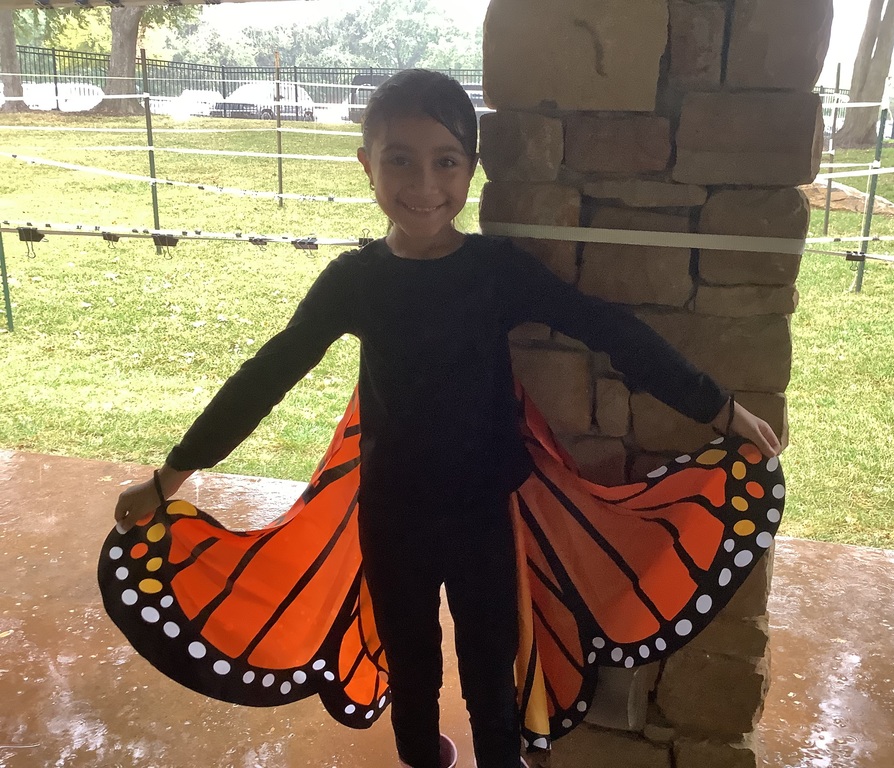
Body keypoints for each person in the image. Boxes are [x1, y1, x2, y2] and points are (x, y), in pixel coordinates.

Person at [112, 69, 782, 768]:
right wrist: (170, 478)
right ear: (367, 164)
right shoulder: (355, 281)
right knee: (414, 674)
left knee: (492, 676)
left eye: (445, 161)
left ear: (471, 170)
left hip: (484, 518)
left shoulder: (496, 270)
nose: (424, 184)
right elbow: (266, 376)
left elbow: (606, 327)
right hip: (391, 516)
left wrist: (716, 406)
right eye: (399, 159)